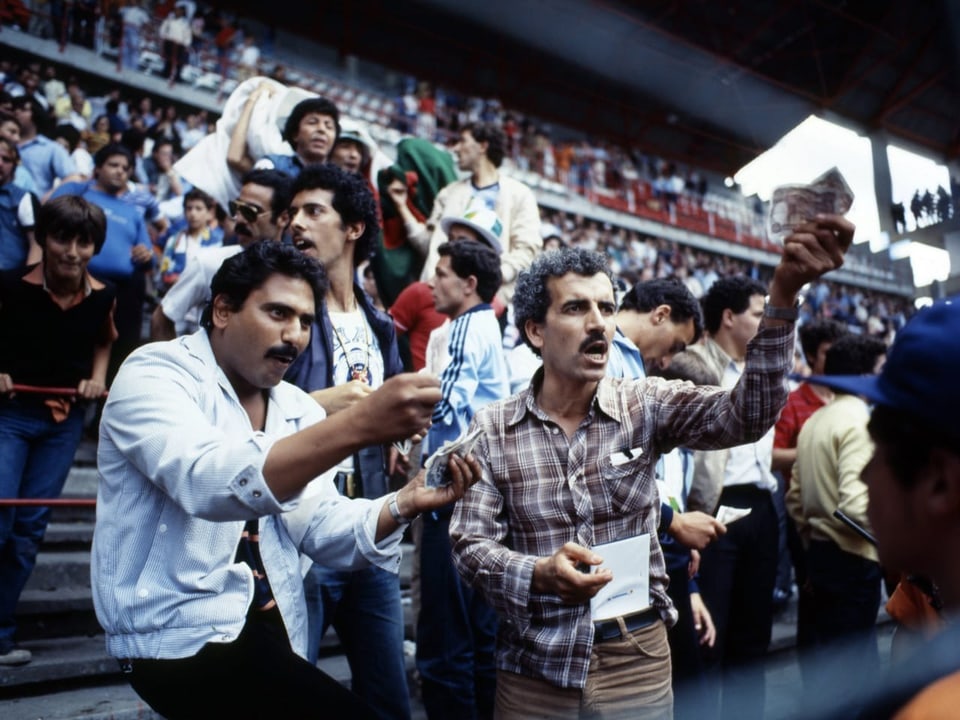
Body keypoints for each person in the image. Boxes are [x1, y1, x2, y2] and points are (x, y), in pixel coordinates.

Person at [449, 211, 853, 720]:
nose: (598, 322)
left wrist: (783, 298)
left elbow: (746, 416)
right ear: (535, 330)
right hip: (534, 667)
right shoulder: (491, 429)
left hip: (635, 657)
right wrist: (537, 574)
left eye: (606, 307)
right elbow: (468, 545)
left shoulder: (647, 403)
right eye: (576, 308)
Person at [90, 240, 480, 718]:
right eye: (277, 313)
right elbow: (208, 480)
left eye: (304, 321)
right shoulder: (154, 373)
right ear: (222, 310)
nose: (294, 335)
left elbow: (320, 526)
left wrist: (405, 501)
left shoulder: (294, 404)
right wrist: (358, 425)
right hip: (175, 636)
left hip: (271, 631)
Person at [285, 164, 411, 719]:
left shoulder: (379, 323)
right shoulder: (287, 315)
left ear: (355, 228)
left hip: (370, 529)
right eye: (292, 213)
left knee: (388, 700)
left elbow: (392, 412)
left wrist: (401, 433)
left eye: (314, 211)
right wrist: (339, 405)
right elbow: (257, 419)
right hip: (299, 535)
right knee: (286, 693)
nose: (296, 224)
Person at [0, 195, 116, 666]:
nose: (71, 251)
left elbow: (105, 339)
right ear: (43, 240)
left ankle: (2, 634)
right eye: (62, 238)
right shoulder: (11, 285)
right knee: (1, 518)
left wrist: (97, 378)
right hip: (11, 414)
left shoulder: (103, 294)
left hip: (63, 422)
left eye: (83, 242)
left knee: (28, 530)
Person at [417, 240, 509, 720]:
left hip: (455, 486)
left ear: (469, 284)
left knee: (445, 642)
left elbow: (443, 403)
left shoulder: (463, 328)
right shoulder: (488, 326)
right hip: (486, 489)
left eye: (442, 272)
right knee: (477, 639)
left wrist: (412, 450)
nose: (432, 282)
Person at [684, 275, 782, 719]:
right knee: (712, 636)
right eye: (758, 314)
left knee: (754, 634)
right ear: (728, 317)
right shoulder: (692, 366)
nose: (764, 323)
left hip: (762, 509)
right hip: (713, 513)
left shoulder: (757, 370)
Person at [786, 333, 888, 698]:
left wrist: (811, 540)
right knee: (855, 671)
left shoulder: (817, 420)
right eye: (880, 370)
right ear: (862, 376)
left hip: (821, 554)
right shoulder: (859, 422)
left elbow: (795, 497)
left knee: (831, 665)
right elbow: (856, 505)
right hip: (854, 559)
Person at [386, 121, 540, 304]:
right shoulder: (449, 193)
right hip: (437, 299)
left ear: (483, 145)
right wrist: (402, 206)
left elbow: (526, 250)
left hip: (490, 301)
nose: (456, 149)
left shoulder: (520, 195)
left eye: (462, 141)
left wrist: (494, 279)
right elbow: (432, 247)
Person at [150, 169, 292, 341]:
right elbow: (162, 318)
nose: (239, 219)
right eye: (236, 208)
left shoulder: (295, 272)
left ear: (283, 218)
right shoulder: (209, 263)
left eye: (250, 212)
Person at [51, 143, 153, 381]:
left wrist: (145, 254)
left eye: (126, 168)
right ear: (98, 167)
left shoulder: (132, 212)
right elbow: (49, 216)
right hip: (75, 281)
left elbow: (148, 254)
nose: (120, 171)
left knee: (117, 348)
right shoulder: (79, 192)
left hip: (121, 291)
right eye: (113, 165)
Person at [228, 87, 339, 177]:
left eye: (328, 126)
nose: (321, 129)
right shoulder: (272, 166)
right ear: (295, 134)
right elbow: (235, 158)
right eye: (312, 122)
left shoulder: (339, 180)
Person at [156, 187, 220, 294]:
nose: (193, 213)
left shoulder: (216, 240)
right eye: (189, 208)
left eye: (198, 209)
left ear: (209, 213)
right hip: (175, 294)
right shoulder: (175, 240)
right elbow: (165, 270)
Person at [12, 95, 76, 197]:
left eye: (23, 109)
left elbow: (73, 178)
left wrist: (47, 198)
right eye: (14, 109)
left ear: (36, 114)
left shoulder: (50, 148)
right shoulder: (5, 142)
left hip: (33, 206)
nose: (17, 112)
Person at [0, 137, 39, 270]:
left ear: (14, 166)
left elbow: (36, 245)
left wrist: (26, 283)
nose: (0, 163)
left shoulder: (24, 198)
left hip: (10, 281)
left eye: (6, 160)